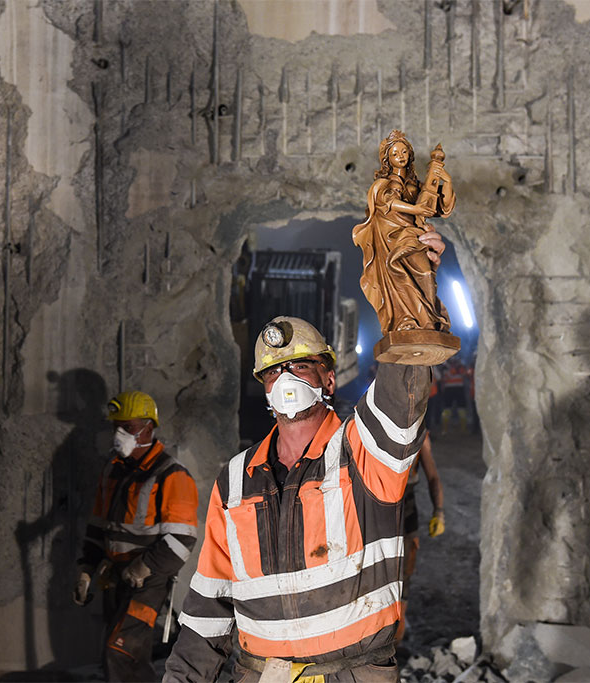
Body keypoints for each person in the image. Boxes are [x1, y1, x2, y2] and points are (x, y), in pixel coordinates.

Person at [164, 228, 443, 683]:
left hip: (351, 675)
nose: (286, 378)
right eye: (273, 371)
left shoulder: (362, 452)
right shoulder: (234, 481)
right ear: (265, 390)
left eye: (300, 365)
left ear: (328, 379)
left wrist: (413, 287)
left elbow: (400, 394)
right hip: (263, 675)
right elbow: (207, 610)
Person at [73, 390, 199, 682]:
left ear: (148, 428)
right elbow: (98, 527)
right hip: (116, 577)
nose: (119, 434)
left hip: (148, 582)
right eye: (115, 427)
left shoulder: (171, 475)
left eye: (127, 427)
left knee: (122, 651)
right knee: (123, 655)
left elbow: (183, 539)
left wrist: (145, 566)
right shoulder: (113, 471)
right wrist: (86, 570)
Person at [352, 130, 455, 336]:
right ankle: (405, 320)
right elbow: (388, 202)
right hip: (391, 239)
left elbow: (439, 208)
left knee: (425, 273)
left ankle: (427, 321)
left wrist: (448, 183)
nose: (401, 156)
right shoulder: (383, 185)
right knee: (396, 273)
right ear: (387, 160)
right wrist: (415, 210)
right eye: (395, 153)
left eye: (404, 151)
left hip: (413, 236)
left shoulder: (414, 186)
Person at [394, 433, 444, 646]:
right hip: (381, 508)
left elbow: (433, 476)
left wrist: (439, 511)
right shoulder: (372, 424)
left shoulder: (419, 435)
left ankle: (397, 634)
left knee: (404, 573)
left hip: (406, 507)